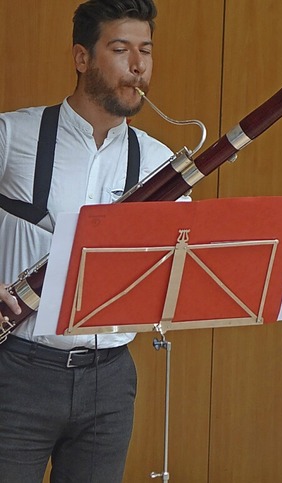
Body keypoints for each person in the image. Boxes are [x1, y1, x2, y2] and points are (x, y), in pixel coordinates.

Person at [0, 1, 174, 481]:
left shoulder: (163, 165)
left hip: (110, 378)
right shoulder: (12, 136)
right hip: (17, 368)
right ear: (82, 58)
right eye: (120, 49)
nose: (138, 66)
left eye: (146, 51)